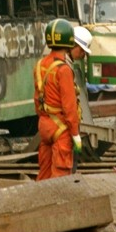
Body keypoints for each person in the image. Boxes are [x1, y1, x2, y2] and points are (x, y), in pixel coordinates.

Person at [33, 19, 90, 180]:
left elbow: (37, 100)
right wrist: (75, 135)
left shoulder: (40, 65)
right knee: (61, 178)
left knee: (44, 174)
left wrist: (45, 118)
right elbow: (69, 107)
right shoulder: (63, 70)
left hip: (45, 126)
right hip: (61, 129)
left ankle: (40, 203)